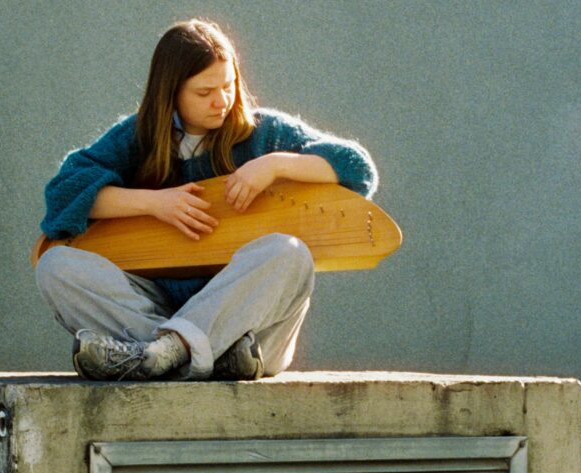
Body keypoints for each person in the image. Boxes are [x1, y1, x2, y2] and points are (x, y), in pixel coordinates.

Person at [36, 19, 378, 381]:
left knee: (290, 254)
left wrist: (275, 164)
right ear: (171, 93)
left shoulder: (265, 134)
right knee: (56, 266)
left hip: (249, 336)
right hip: (162, 312)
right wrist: (153, 203)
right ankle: (177, 351)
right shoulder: (140, 137)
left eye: (228, 86)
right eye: (204, 92)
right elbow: (63, 196)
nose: (222, 101)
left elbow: (358, 171)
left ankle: (165, 353)